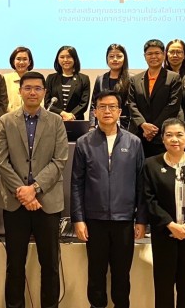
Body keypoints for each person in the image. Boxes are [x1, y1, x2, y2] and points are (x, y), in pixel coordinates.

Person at [0, 71, 68, 308]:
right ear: (20, 91)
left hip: (47, 202)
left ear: (45, 92)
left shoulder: (56, 122)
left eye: (37, 88)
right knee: (15, 264)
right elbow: (1, 161)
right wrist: (23, 192)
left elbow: (60, 160)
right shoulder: (6, 121)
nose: (32, 92)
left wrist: (34, 188)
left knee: (50, 264)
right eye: (28, 88)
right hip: (15, 204)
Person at [71, 90, 147, 308]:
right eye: (102, 107)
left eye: (112, 107)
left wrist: (141, 219)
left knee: (122, 276)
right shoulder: (84, 143)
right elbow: (76, 183)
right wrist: (78, 219)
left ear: (119, 111)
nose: (107, 111)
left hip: (124, 220)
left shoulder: (134, 142)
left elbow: (141, 184)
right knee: (96, 275)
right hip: (94, 220)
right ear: (95, 111)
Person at [142, 118, 185, 308]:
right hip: (164, 233)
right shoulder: (151, 164)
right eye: (169, 135)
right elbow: (149, 199)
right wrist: (170, 225)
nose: (175, 139)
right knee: (163, 287)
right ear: (163, 139)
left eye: (179, 135)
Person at [127, 39, 183, 157]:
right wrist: (143, 124)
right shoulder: (135, 79)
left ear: (164, 55)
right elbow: (131, 104)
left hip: (161, 135)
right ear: (145, 56)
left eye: (157, 53)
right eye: (149, 54)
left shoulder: (173, 78)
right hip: (139, 134)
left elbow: (173, 105)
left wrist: (153, 129)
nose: (153, 56)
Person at [89, 44, 131, 129]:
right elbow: (93, 104)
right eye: (111, 56)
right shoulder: (100, 79)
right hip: (103, 124)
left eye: (119, 56)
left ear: (125, 58)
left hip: (125, 126)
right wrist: (92, 125)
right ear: (107, 59)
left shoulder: (131, 79)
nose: (115, 59)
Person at [45, 45, 91, 121]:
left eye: (69, 57)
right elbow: (47, 103)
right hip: (55, 120)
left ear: (75, 59)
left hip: (75, 121)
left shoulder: (83, 79)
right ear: (57, 59)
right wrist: (62, 113)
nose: (65, 60)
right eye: (62, 57)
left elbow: (84, 104)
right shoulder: (51, 78)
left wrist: (70, 116)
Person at [4, 46, 35, 113]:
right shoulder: (5, 79)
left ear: (29, 62)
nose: (21, 62)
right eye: (18, 59)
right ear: (13, 61)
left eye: (25, 59)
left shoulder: (35, 79)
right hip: (9, 116)